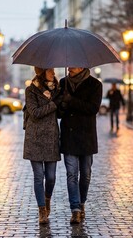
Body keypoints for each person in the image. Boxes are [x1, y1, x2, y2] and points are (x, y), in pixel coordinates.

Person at [58, 67, 102, 224]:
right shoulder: (63, 83)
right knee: (71, 174)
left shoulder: (95, 84)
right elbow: (58, 113)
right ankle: (75, 209)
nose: (70, 68)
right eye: (69, 65)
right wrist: (62, 105)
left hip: (86, 136)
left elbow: (93, 109)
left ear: (83, 66)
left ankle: (82, 202)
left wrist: (71, 101)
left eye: (74, 65)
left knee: (86, 174)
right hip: (69, 135)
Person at [23, 67, 62, 224]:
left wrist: (59, 99)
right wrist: (52, 103)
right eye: (50, 70)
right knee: (39, 177)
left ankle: (47, 200)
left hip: (51, 138)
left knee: (51, 177)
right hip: (35, 138)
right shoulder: (31, 90)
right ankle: (42, 210)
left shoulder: (58, 90)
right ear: (42, 72)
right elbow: (34, 112)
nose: (53, 73)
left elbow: (61, 112)